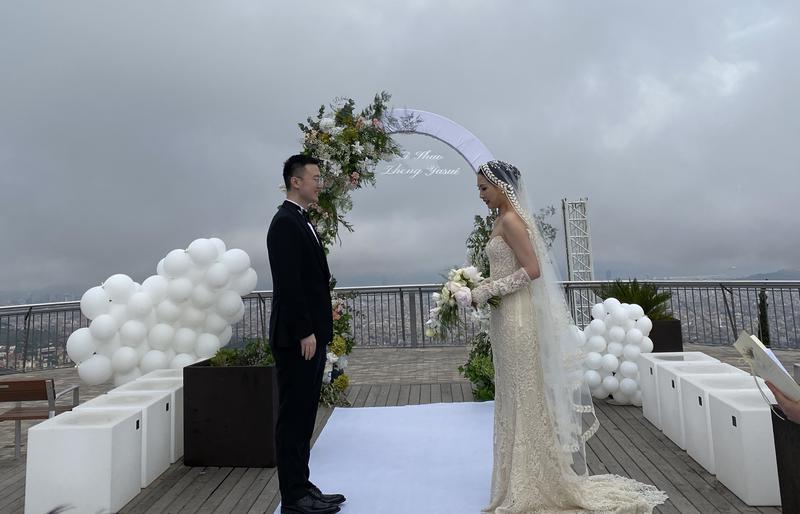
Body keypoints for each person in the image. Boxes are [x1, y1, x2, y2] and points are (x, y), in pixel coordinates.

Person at [470, 160, 667, 513]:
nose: (481, 195)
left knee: (524, 393)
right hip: (505, 317)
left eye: (485, 188)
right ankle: (517, 477)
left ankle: (532, 480)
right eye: (479, 189)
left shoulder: (512, 221)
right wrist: (486, 287)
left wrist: (488, 289)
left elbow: (532, 270)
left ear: (502, 186)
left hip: (518, 318)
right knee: (513, 394)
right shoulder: (500, 220)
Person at [267, 154, 345, 514]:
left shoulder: (301, 220)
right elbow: (289, 284)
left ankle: (302, 485)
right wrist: (304, 331)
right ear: (295, 181)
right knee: (293, 417)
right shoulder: (285, 223)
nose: (319, 183)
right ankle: (295, 497)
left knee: (303, 416)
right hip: (298, 338)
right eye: (315, 177)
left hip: (311, 333)